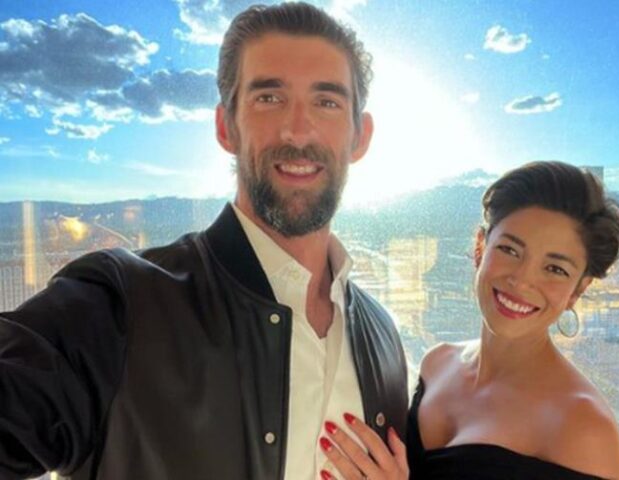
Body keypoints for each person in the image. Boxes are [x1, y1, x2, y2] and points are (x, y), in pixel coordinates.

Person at [0, 3, 408, 479]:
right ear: (225, 127)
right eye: (269, 98)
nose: (298, 130)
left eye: (327, 102)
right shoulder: (122, 304)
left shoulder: (382, 337)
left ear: (360, 136)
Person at [319, 161, 619, 480]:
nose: (522, 281)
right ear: (480, 247)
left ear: (578, 290)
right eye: (510, 250)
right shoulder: (437, 364)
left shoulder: (585, 427)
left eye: (555, 269)